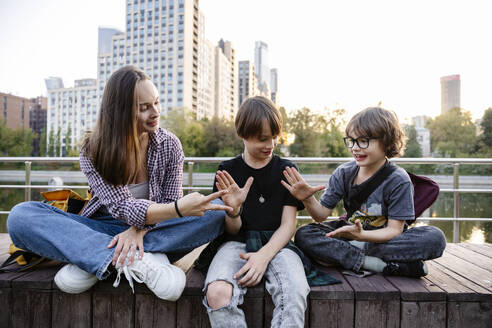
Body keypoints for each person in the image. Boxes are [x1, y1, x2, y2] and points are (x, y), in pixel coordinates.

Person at [7, 65, 232, 301]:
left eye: (156, 102)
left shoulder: (170, 145)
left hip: (156, 228)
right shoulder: (94, 149)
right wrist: (176, 209)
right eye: (144, 108)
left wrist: (139, 231)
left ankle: (95, 259)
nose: (155, 112)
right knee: (21, 216)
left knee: (216, 216)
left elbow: (168, 204)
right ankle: (139, 261)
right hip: (101, 227)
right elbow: (122, 207)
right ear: (121, 111)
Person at [282, 107, 446, 278]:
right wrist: (308, 199)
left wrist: (362, 237)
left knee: (435, 238)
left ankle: (346, 256)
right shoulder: (343, 173)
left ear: (387, 142)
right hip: (350, 233)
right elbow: (321, 216)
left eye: (363, 141)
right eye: (351, 141)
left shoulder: (398, 179)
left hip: (385, 238)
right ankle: (377, 264)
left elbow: (394, 230)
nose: (355, 148)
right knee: (304, 235)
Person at [202, 96, 310, 327]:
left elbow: (288, 225)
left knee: (294, 291)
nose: (270, 145)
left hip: (278, 243)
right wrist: (234, 210)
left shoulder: (286, 169)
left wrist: (263, 256)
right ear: (243, 133)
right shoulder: (227, 171)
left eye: (274, 137)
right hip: (235, 244)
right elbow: (232, 229)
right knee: (217, 292)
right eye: (263, 138)